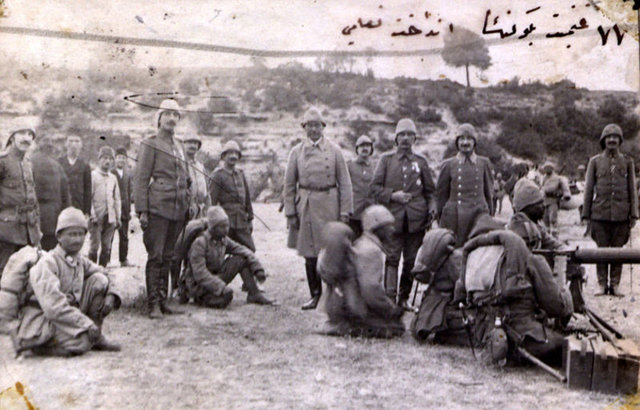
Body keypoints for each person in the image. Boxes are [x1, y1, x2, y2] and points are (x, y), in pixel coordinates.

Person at [11, 207, 121, 356]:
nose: (77, 239)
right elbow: (53, 307)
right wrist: (85, 324)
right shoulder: (48, 263)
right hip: (43, 321)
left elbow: (105, 274)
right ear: (59, 236)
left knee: (99, 280)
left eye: (81, 234)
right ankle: (38, 346)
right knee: (83, 342)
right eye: (72, 234)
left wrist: (112, 294)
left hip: (66, 318)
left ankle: (96, 336)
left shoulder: (79, 260)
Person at [456, 229, 573, 366]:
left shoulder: (486, 261)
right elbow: (558, 307)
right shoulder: (533, 260)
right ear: (534, 243)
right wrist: (564, 286)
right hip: (524, 339)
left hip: (488, 338)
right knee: (567, 345)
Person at [284, 106, 353, 310]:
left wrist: (345, 211)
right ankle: (315, 294)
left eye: (317, 125)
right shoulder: (296, 152)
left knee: (333, 250)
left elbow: (345, 183)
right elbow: (289, 185)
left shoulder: (335, 151)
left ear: (323, 127)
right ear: (304, 128)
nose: (313, 129)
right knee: (310, 253)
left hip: (330, 204)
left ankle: (334, 294)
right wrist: (290, 212)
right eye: (309, 126)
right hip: (307, 205)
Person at [133, 99, 190, 318]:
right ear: (159, 118)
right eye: (167, 114)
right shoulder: (150, 143)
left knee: (168, 256)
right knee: (156, 256)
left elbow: (186, 178)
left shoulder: (180, 146)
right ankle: (153, 304)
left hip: (177, 209)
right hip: (157, 208)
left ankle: (164, 300)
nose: (171, 118)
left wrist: (188, 202)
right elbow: (141, 179)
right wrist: (142, 210)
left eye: (175, 115)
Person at [372, 118, 436, 309]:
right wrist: (393, 195)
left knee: (410, 261)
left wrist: (432, 209)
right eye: (402, 135)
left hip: (417, 221)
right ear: (396, 138)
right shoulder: (386, 160)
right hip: (392, 219)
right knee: (392, 258)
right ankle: (390, 299)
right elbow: (374, 188)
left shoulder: (421, 162)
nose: (406, 138)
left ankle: (404, 299)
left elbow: (430, 192)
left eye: (410, 135)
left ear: (415, 139)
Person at [317, 206, 404, 338]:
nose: (393, 230)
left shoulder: (362, 243)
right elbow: (370, 289)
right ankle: (344, 327)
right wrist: (389, 308)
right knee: (395, 328)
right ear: (377, 228)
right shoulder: (372, 250)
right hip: (354, 308)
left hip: (340, 304)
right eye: (388, 226)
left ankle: (339, 324)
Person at [582, 123, 639, 296]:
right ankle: (601, 284)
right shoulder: (595, 162)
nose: (612, 140)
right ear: (603, 141)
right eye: (608, 137)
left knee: (618, 250)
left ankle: (615, 284)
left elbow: (632, 190)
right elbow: (588, 189)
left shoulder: (628, 162)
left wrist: (634, 214)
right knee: (601, 250)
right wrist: (586, 214)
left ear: (620, 141)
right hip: (600, 214)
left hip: (621, 214)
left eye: (615, 137)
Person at [183, 206, 273, 307]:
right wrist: (221, 287)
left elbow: (243, 250)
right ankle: (201, 298)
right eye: (222, 227)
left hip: (215, 277)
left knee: (241, 259)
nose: (226, 229)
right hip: (199, 284)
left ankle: (254, 294)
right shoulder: (200, 243)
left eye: (227, 226)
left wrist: (257, 268)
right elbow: (200, 274)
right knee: (224, 299)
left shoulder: (223, 239)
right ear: (213, 228)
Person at [436, 123, 493, 247]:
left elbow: (489, 194)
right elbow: (441, 197)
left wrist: (489, 216)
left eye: (469, 139)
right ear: (457, 142)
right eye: (461, 139)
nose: (465, 142)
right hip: (454, 218)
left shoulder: (484, 163)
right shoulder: (448, 164)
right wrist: (442, 218)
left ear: (474, 142)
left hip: (478, 215)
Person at [0, 117, 41, 275]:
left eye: (30, 135)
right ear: (12, 137)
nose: (27, 138)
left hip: (29, 232)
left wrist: (37, 231)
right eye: (22, 133)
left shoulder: (28, 164)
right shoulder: (3, 162)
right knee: (4, 274)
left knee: (24, 275)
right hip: (6, 234)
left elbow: (33, 200)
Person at [209, 140, 255, 251]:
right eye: (230, 153)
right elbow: (212, 202)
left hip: (242, 221)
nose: (233, 156)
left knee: (250, 249)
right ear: (223, 156)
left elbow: (247, 199)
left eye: (236, 153)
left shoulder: (240, 174)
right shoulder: (217, 175)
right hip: (225, 221)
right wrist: (213, 223)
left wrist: (250, 218)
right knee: (222, 250)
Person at [31, 135, 71, 251]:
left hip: (35, 218)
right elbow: (66, 196)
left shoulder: (29, 162)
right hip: (54, 218)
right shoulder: (57, 166)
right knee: (51, 252)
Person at [507, 179, 563, 252]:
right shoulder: (520, 226)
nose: (544, 206)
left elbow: (553, 244)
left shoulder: (535, 226)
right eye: (539, 203)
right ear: (528, 207)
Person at [89, 146, 121, 267]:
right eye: (105, 158)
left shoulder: (113, 178)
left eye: (110, 159)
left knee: (107, 246)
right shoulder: (93, 176)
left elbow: (116, 198)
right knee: (94, 246)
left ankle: (103, 270)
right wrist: (92, 215)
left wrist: (117, 217)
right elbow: (89, 197)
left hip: (110, 218)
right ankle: (91, 271)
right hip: (96, 217)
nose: (108, 161)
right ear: (99, 159)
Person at [347, 135, 376, 237]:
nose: (365, 148)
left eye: (367, 146)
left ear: (371, 149)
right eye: (362, 146)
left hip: (370, 212)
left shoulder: (375, 167)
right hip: (353, 212)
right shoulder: (349, 166)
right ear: (357, 149)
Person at [58, 134, 92, 217]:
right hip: (61, 206)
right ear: (66, 144)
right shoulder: (59, 162)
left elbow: (87, 190)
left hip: (79, 206)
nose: (74, 144)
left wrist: (87, 212)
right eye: (71, 141)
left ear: (81, 145)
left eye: (77, 141)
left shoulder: (85, 165)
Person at [111, 147, 133, 267]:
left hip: (124, 210)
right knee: (109, 235)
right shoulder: (111, 173)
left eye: (123, 158)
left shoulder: (127, 174)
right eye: (119, 157)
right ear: (115, 159)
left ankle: (123, 259)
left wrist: (129, 210)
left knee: (124, 236)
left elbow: (128, 192)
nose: (121, 160)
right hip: (113, 208)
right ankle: (106, 260)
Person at [182, 131, 210, 220]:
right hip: (185, 211)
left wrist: (208, 210)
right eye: (189, 142)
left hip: (201, 212)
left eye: (195, 143)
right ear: (183, 145)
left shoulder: (200, 167)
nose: (193, 146)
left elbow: (207, 192)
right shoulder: (180, 164)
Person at [540, 162, 571, 237]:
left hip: (553, 200)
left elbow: (565, 187)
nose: (547, 169)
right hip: (544, 200)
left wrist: (566, 195)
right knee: (545, 220)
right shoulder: (543, 178)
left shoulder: (557, 178)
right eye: (546, 168)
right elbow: (540, 187)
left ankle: (555, 235)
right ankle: (546, 236)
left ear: (552, 169)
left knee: (553, 219)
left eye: (549, 168)